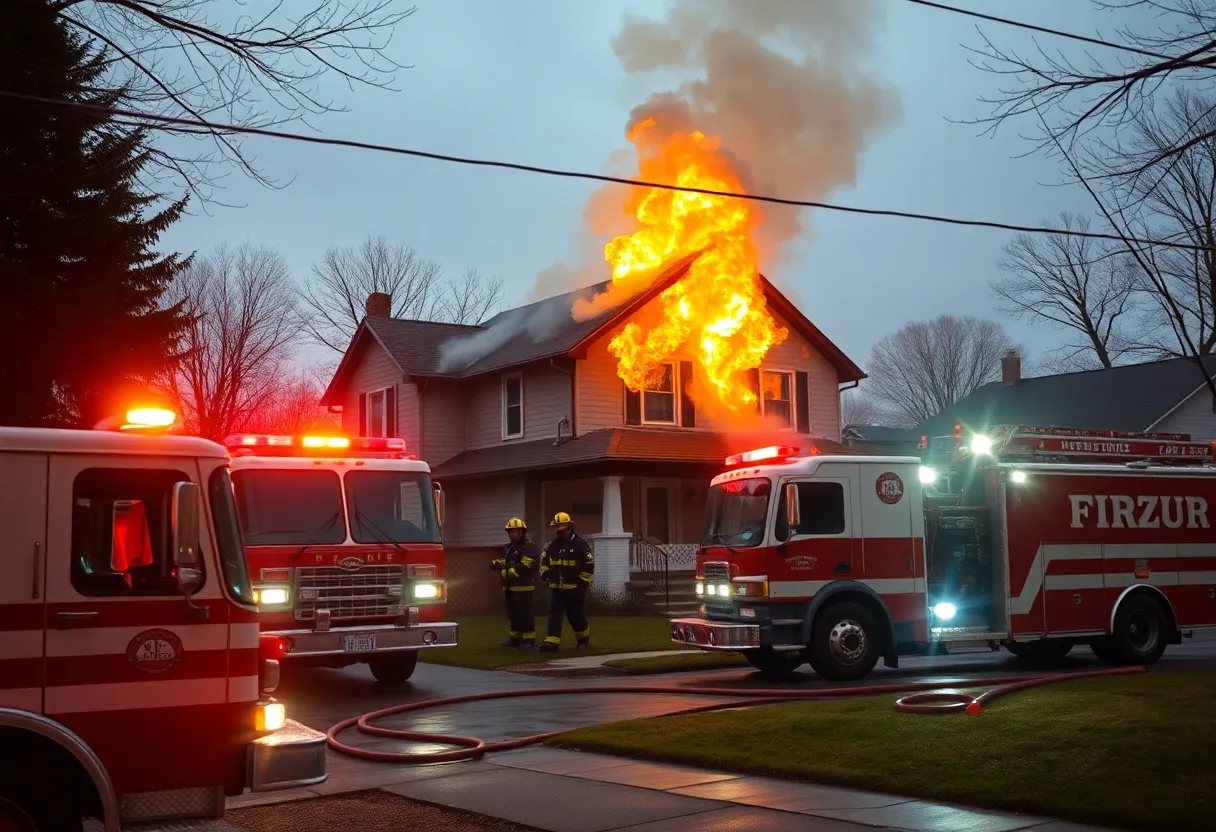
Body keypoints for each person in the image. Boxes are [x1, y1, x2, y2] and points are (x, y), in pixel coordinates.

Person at [538, 511, 594, 652]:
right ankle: (552, 642)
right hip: (556, 587)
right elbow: (544, 560)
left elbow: (589, 563)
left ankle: (583, 640)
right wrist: (545, 573)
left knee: (574, 614)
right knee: (554, 613)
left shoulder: (580, 544)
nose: (559, 532)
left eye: (561, 529)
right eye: (557, 529)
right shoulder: (554, 545)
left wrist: (582, 582)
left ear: (569, 527)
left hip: (575, 588)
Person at [491, 517, 539, 649]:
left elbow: (526, 566)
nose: (510, 534)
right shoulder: (509, 548)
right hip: (509, 587)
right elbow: (504, 561)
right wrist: (497, 564)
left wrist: (507, 572)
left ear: (521, 532)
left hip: (523, 586)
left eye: (513, 531)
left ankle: (529, 639)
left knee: (524, 613)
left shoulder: (528, 547)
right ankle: (515, 639)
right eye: (509, 532)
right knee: (513, 613)